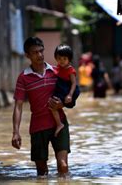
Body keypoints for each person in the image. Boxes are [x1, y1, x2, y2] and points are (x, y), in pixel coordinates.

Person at [12, 37, 70, 177]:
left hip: (59, 124)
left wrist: (62, 104)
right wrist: (15, 131)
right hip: (38, 128)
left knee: (63, 167)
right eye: (35, 52)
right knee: (42, 172)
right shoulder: (23, 78)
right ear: (27, 55)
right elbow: (18, 106)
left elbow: (70, 96)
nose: (39, 55)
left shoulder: (56, 72)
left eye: (41, 51)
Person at [51, 44, 78, 137]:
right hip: (59, 90)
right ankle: (59, 124)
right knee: (52, 105)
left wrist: (70, 94)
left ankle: (59, 124)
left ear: (69, 59)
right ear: (56, 58)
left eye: (64, 59)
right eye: (59, 58)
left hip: (65, 91)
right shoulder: (57, 68)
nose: (61, 61)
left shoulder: (70, 70)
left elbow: (74, 83)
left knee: (53, 106)